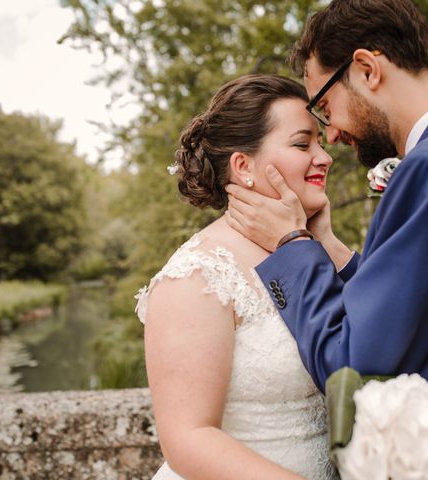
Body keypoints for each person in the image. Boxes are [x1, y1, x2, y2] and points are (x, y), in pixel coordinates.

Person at [225, 1, 428, 478]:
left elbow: (352, 364)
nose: (331, 134)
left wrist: (292, 245)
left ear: (367, 69)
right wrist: (330, 249)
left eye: (326, 106)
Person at [135, 74, 339, 480]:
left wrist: (326, 241)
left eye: (320, 142)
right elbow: (188, 439)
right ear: (243, 167)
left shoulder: (308, 251)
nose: (324, 157)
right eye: (303, 144)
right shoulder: (198, 275)